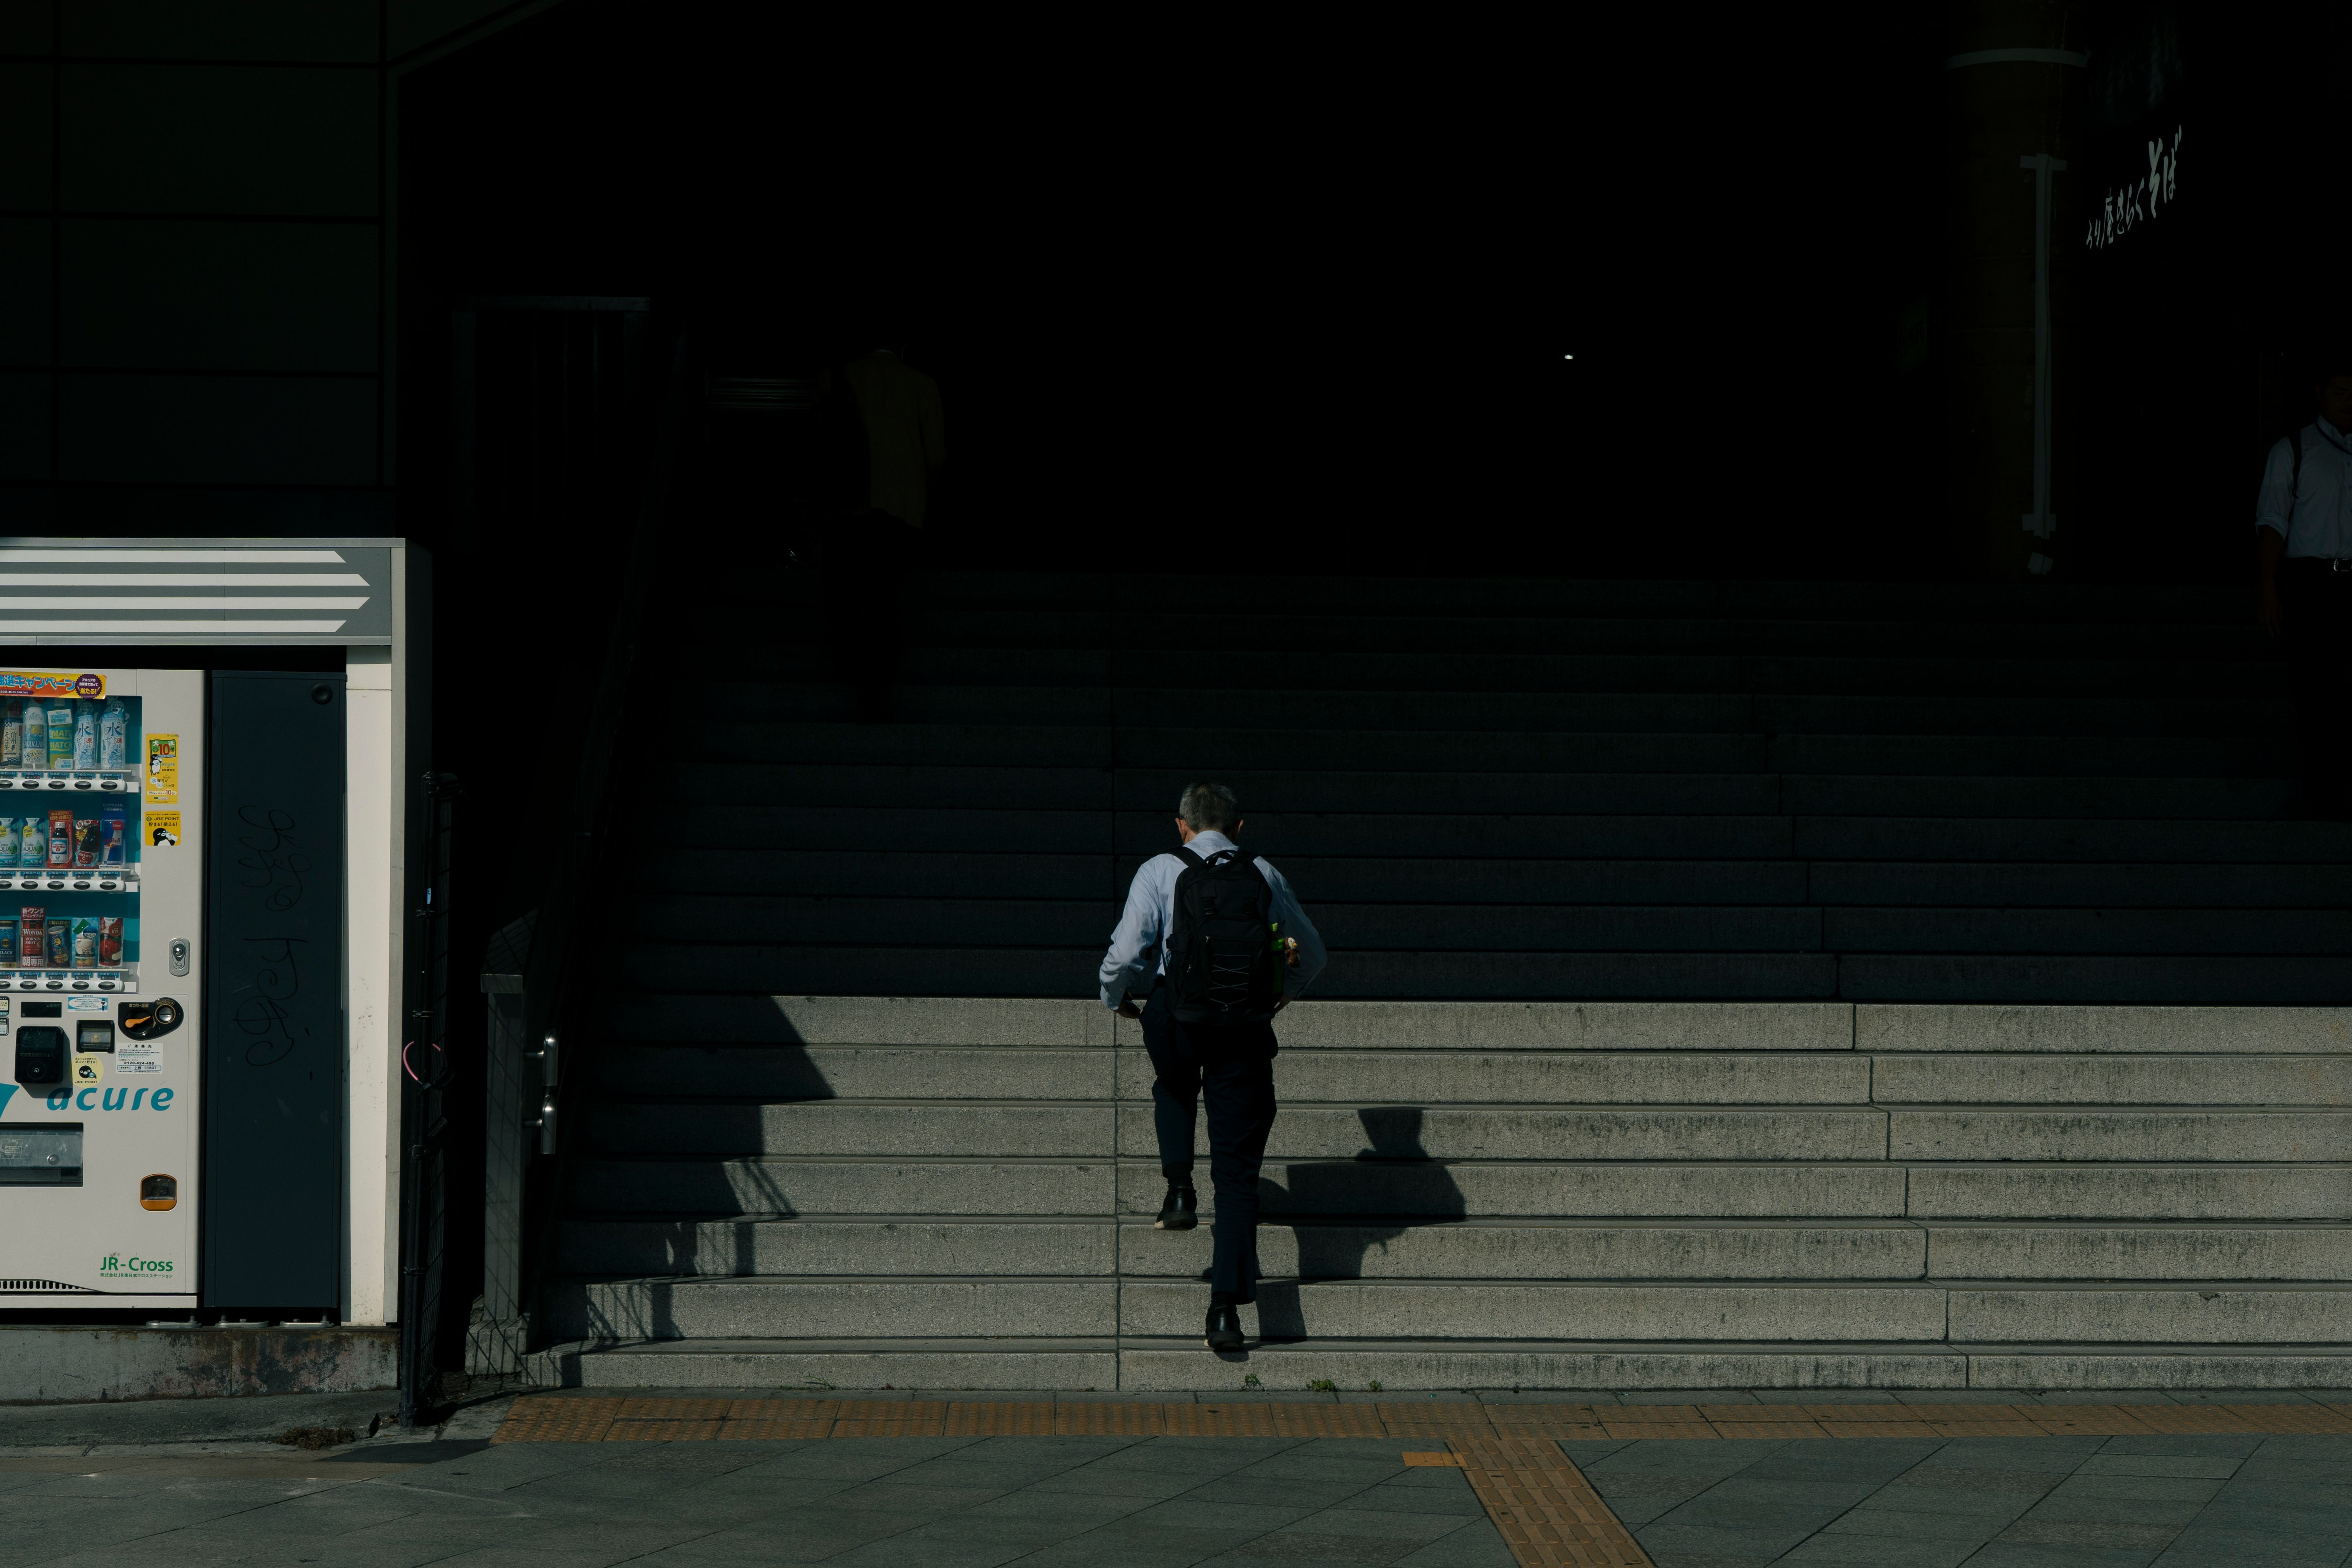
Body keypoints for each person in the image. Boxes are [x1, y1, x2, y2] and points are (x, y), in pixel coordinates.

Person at [1099, 782, 1327, 1352]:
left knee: (1173, 1085)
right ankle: (1224, 1312)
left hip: (1175, 1015)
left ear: (1181, 825)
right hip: (1243, 1032)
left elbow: (1127, 953)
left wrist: (1114, 996)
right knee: (1238, 1176)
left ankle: (1178, 1189)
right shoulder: (1263, 872)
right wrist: (1278, 996)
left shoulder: (1159, 868)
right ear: (1239, 826)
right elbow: (1314, 954)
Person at [2256, 352, 2352, 818]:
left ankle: (2335, 785)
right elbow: (2272, 520)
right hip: (2312, 582)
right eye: (2339, 392)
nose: (2347, 402)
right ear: (2319, 393)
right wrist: (2268, 584)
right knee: (2315, 689)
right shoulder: (2293, 450)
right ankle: (2322, 791)